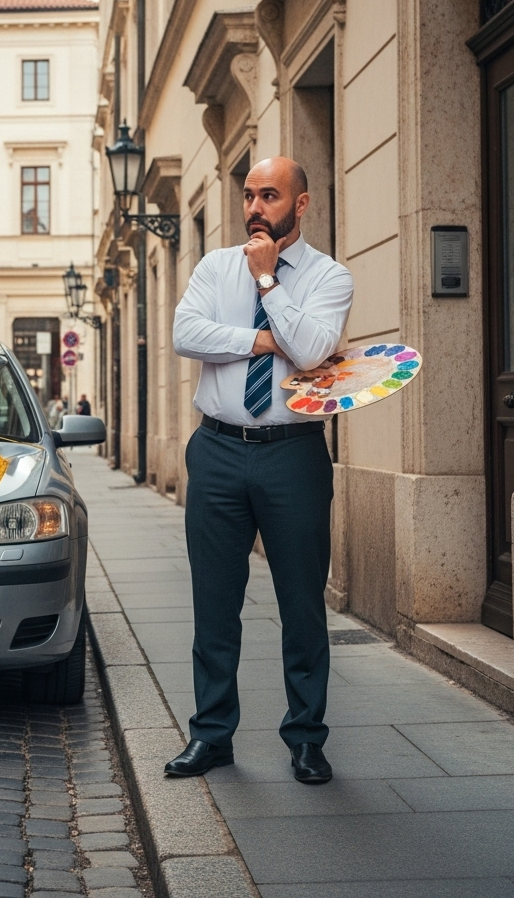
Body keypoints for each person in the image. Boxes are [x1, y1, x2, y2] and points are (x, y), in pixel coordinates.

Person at [164, 157, 353, 786]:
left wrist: (269, 284)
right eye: (248, 195)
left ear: (299, 205)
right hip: (216, 449)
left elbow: (314, 350)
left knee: (301, 605)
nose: (254, 207)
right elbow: (185, 332)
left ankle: (306, 739)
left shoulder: (330, 277)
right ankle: (211, 735)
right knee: (213, 604)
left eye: (268, 196)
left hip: (292, 453)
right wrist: (262, 341)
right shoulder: (216, 266)